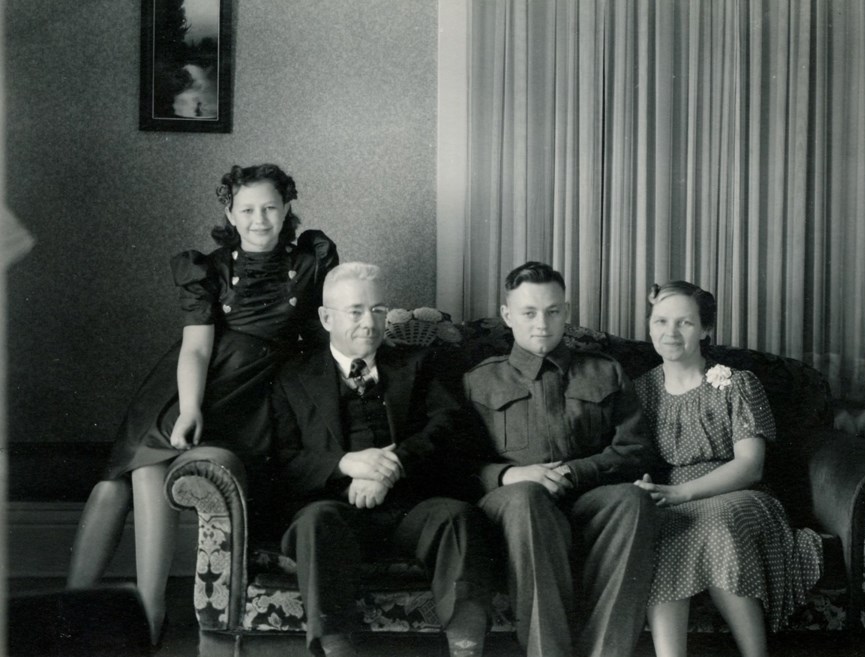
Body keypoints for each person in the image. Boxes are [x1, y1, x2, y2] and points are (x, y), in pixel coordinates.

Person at [67, 163, 339, 645]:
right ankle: (87, 610)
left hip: (254, 398)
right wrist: (191, 408)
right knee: (126, 480)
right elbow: (195, 348)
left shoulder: (312, 260)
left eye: (270, 208)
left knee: (140, 477)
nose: (259, 219)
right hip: (193, 388)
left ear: (288, 209)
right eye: (247, 209)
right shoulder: (211, 269)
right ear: (230, 213)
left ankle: (143, 611)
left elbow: (330, 324)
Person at [270, 262, 495, 657]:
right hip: (336, 511)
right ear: (326, 318)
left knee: (458, 518)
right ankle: (337, 649)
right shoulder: (292, 377)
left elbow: (449, 427)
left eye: (377, 310)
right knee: (313, 523)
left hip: (413, 510)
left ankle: (466, 647)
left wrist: (392, 468)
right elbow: (282, 460)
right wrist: (346, 465)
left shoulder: (420, 364)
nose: (369, 322)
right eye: (355, 310)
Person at [461, 261, 661, 657]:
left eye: (553, 311)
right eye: (528, 313)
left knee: (634, 501)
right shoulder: (479, 381)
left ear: (566, 313)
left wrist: (574, 470)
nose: (542, 324)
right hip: (515, 506)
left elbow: (635, 451)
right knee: (526, 498)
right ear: (507, 316)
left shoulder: (605, 372)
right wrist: (514, 475)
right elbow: (460, 465)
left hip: (589, 499)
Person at [633, 281, 824, 657]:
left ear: (705, 329)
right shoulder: (641, 390)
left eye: (684, 323)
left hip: (738, 494)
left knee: (716, 524)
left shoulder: (736, 384)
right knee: (665, 529)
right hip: (672, 499)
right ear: (650, 325)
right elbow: (630, 455)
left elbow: (751, 467)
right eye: (661, 321)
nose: (670, 333)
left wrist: (683, 493)